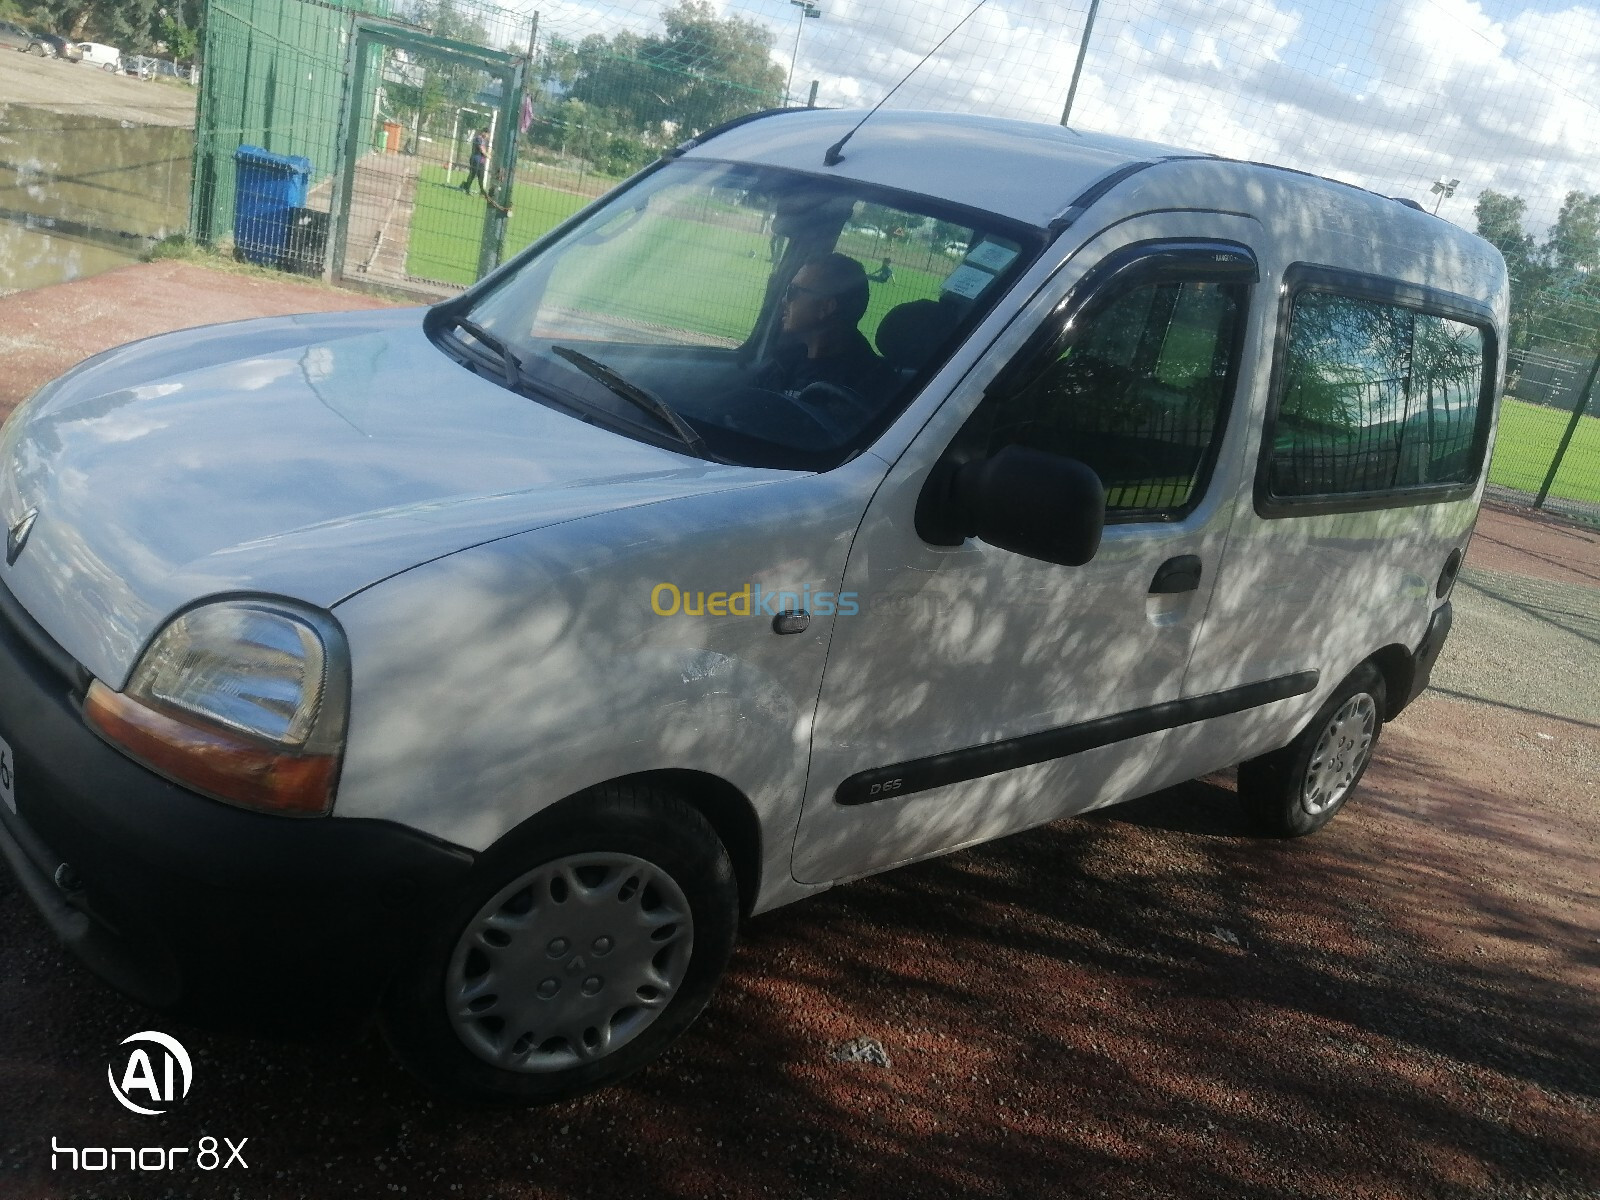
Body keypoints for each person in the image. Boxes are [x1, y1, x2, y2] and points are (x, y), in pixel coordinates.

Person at [756, 253, 893, 404]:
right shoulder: (784, 359)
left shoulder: (870, 383)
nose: (784, 300)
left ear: (826, 307)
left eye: (792, 291)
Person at [460, 128, 489, 196]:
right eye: (487, 134)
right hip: (476, 159)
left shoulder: (484, 141)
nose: (488, 136)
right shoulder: (478, 138)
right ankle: (467, 187)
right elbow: (482, 149)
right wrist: (487, 155)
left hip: (481, 161)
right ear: (483, 132)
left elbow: (484, 149)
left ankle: (481, 190)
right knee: (473, 174)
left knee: (481, 176)